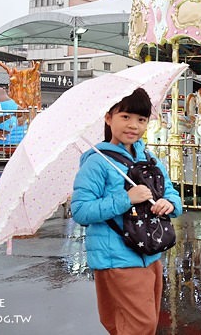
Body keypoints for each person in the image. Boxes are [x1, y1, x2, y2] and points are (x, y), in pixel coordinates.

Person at [71, 87, 183, 335]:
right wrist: (126, 198)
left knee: (138, 324)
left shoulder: (148, 157)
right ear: (108, 118)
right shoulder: (97, 162)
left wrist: (170, 204)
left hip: (150, 252)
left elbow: (171, 192)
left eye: (141, 119)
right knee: (139, 326)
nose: (133, 125)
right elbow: (80, 210)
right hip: (117, 256)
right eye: (125, 117)